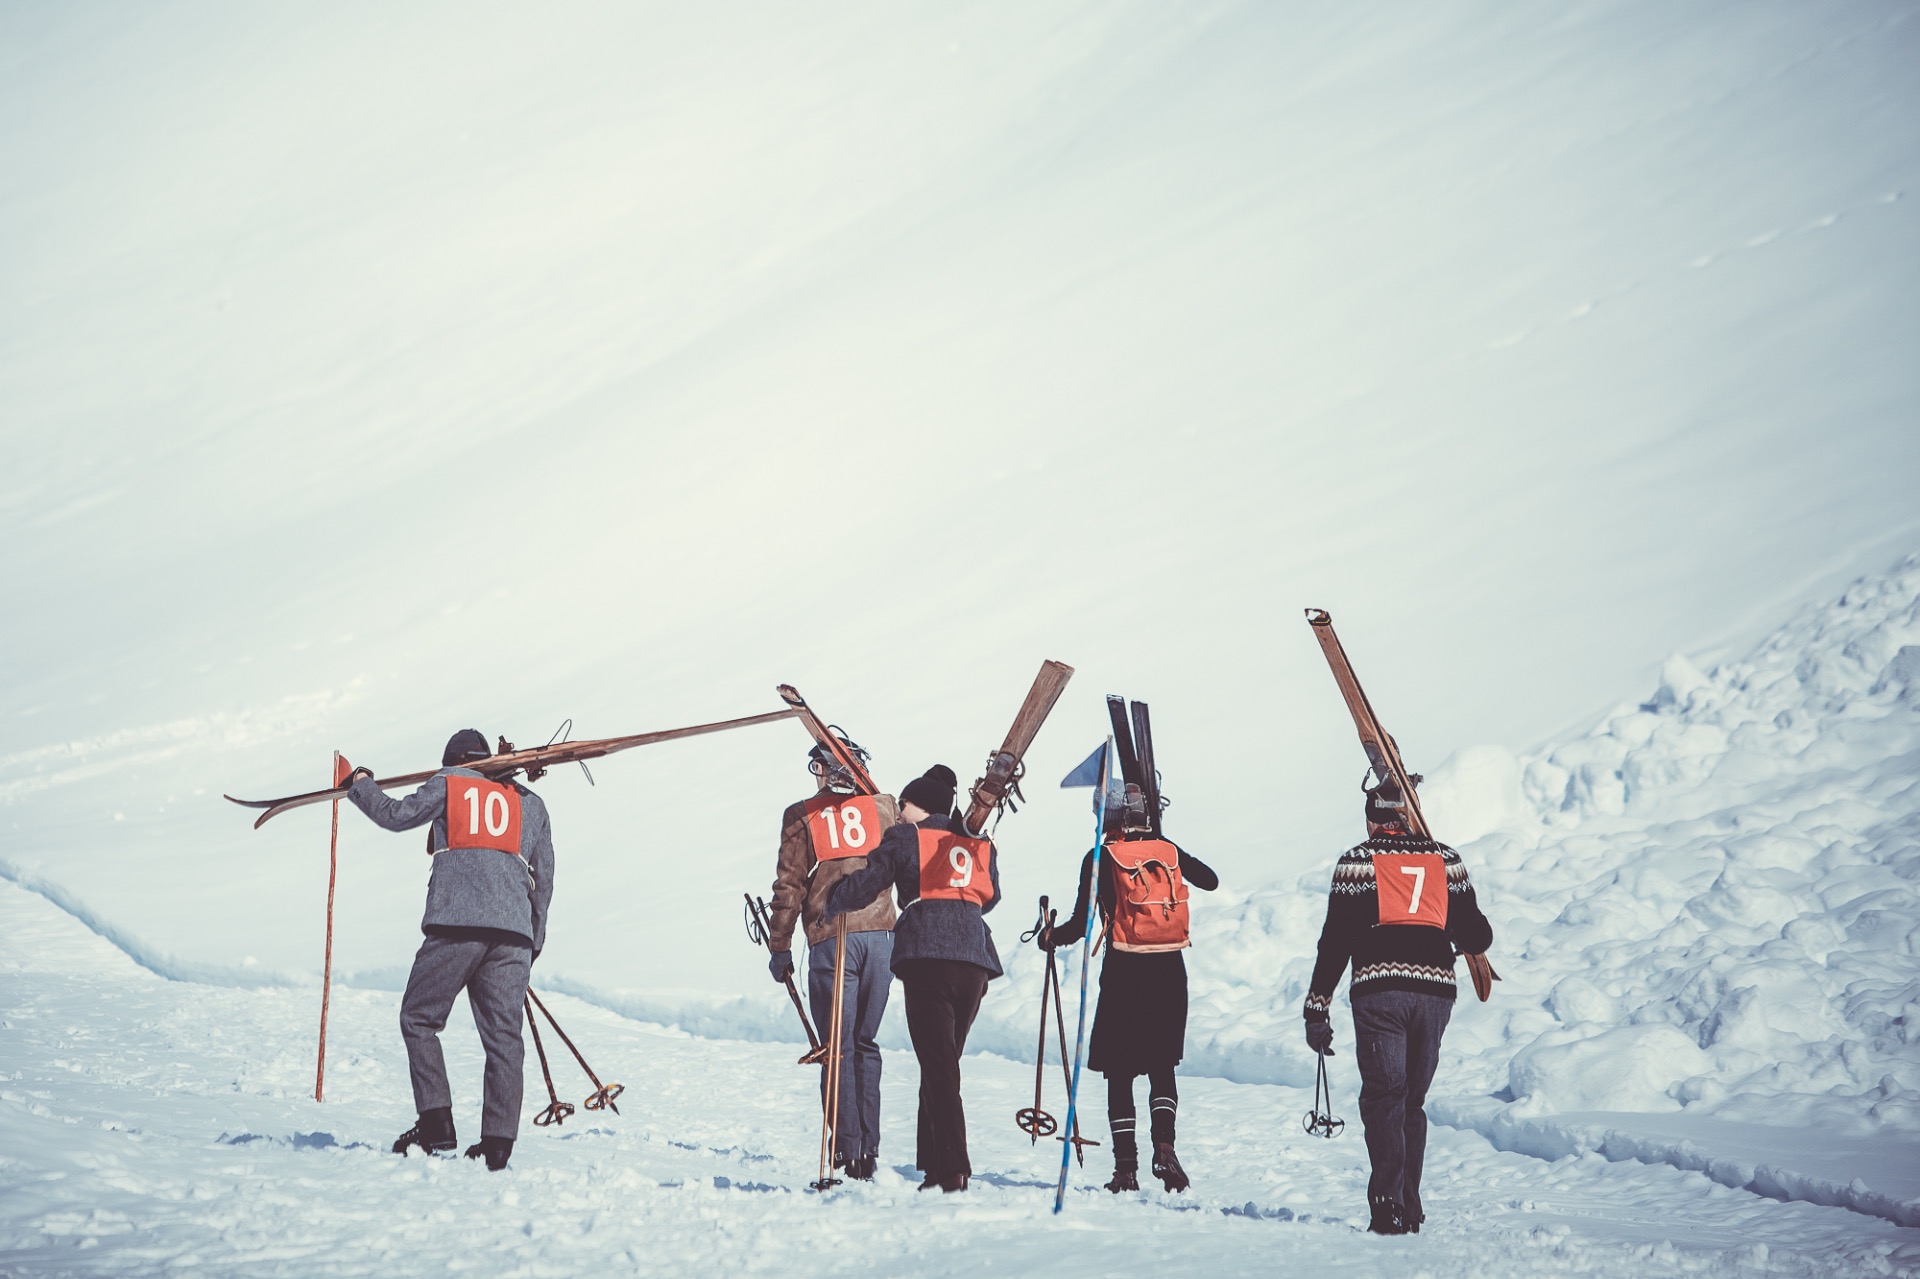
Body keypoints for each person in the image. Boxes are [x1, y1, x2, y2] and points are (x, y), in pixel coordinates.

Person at [342, 728, 555, 1172]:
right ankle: (497, 1146)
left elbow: (396, 815)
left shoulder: (450, 783)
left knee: (419, 1018)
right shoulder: (530, 803)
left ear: (453, 762)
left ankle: (436, 1125)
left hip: (457, 925)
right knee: (504, 1040)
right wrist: (531, 939)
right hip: (513, 936)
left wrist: (360, 783)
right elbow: (545, 879)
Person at [1301, 776, 1492, 1234]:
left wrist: (1317, 1006)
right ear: (1408, 815)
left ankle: (1388, 1204)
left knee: (1385, 1096)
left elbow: (1335, 943)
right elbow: (1477, 937)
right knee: (1412, 1101)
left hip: (1379, 991)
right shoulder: (1447, 860)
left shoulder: (1356, 862)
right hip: (1435, 993)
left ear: (1371, 820)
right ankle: (1410, 1204)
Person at [825, 764, 1002, 1192]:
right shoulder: (979, 842)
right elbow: (991, 896)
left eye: (903, 804)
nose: (899, 812)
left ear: (918, 806)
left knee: (939, 1066)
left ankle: (954, 1169)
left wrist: (835, 898)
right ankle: (935, 1165)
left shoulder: (905, 838)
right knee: (941, 1063)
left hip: (928, 955)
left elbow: (870, 883)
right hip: (974, 960)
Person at [1042, 782, 1218, 1194]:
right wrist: (1162, 851)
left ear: (1108, 817)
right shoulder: (1167, 849)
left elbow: (1081, 924)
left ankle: (1126, 1170)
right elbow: (1209, 880)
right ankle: (1165, 1148)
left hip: (1124, 971)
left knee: (1119, 1074)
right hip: (1169, 970)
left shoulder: (1099, 857)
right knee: (1162, 1067)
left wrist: (1051, 937)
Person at [764, 736, 899, 1181]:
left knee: (836, 1048)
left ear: (827, 769)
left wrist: (779, 945)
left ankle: (846, 1147)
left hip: (832, 937)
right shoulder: (885, 807)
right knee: (866, 1044)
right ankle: (869, 1149)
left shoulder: (801, 815)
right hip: (881, 937)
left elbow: (790, 886)